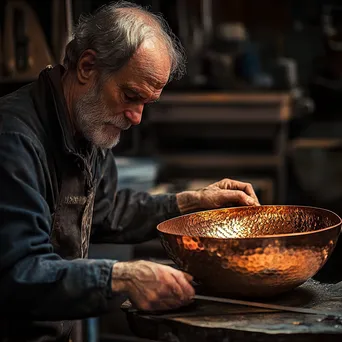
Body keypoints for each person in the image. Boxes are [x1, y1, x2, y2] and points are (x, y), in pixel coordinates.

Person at [0, 1, 260, 341]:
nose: (136, 117)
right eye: (130, 95)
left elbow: (105, 211)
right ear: (87, 66)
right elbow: (18, 272)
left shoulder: (87, 125)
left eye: (145, 103)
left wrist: (190, 204)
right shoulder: (14, 140)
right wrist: (122, 277)